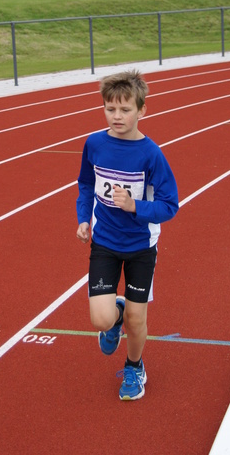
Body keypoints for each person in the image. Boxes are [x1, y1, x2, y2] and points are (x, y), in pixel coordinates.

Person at [76, 70, 179, 401]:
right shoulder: (94, 143)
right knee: (101, 318)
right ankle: (115, 315)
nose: (117, 116)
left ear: (142, 110)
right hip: (104, 241)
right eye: (110, 109)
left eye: (125, 110)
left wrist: (135, 205)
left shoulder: (151, 155)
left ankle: (134, 366)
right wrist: (83, 219)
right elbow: (86, 184)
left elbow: (169, 205)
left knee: (138, 320)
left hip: (140, 246)